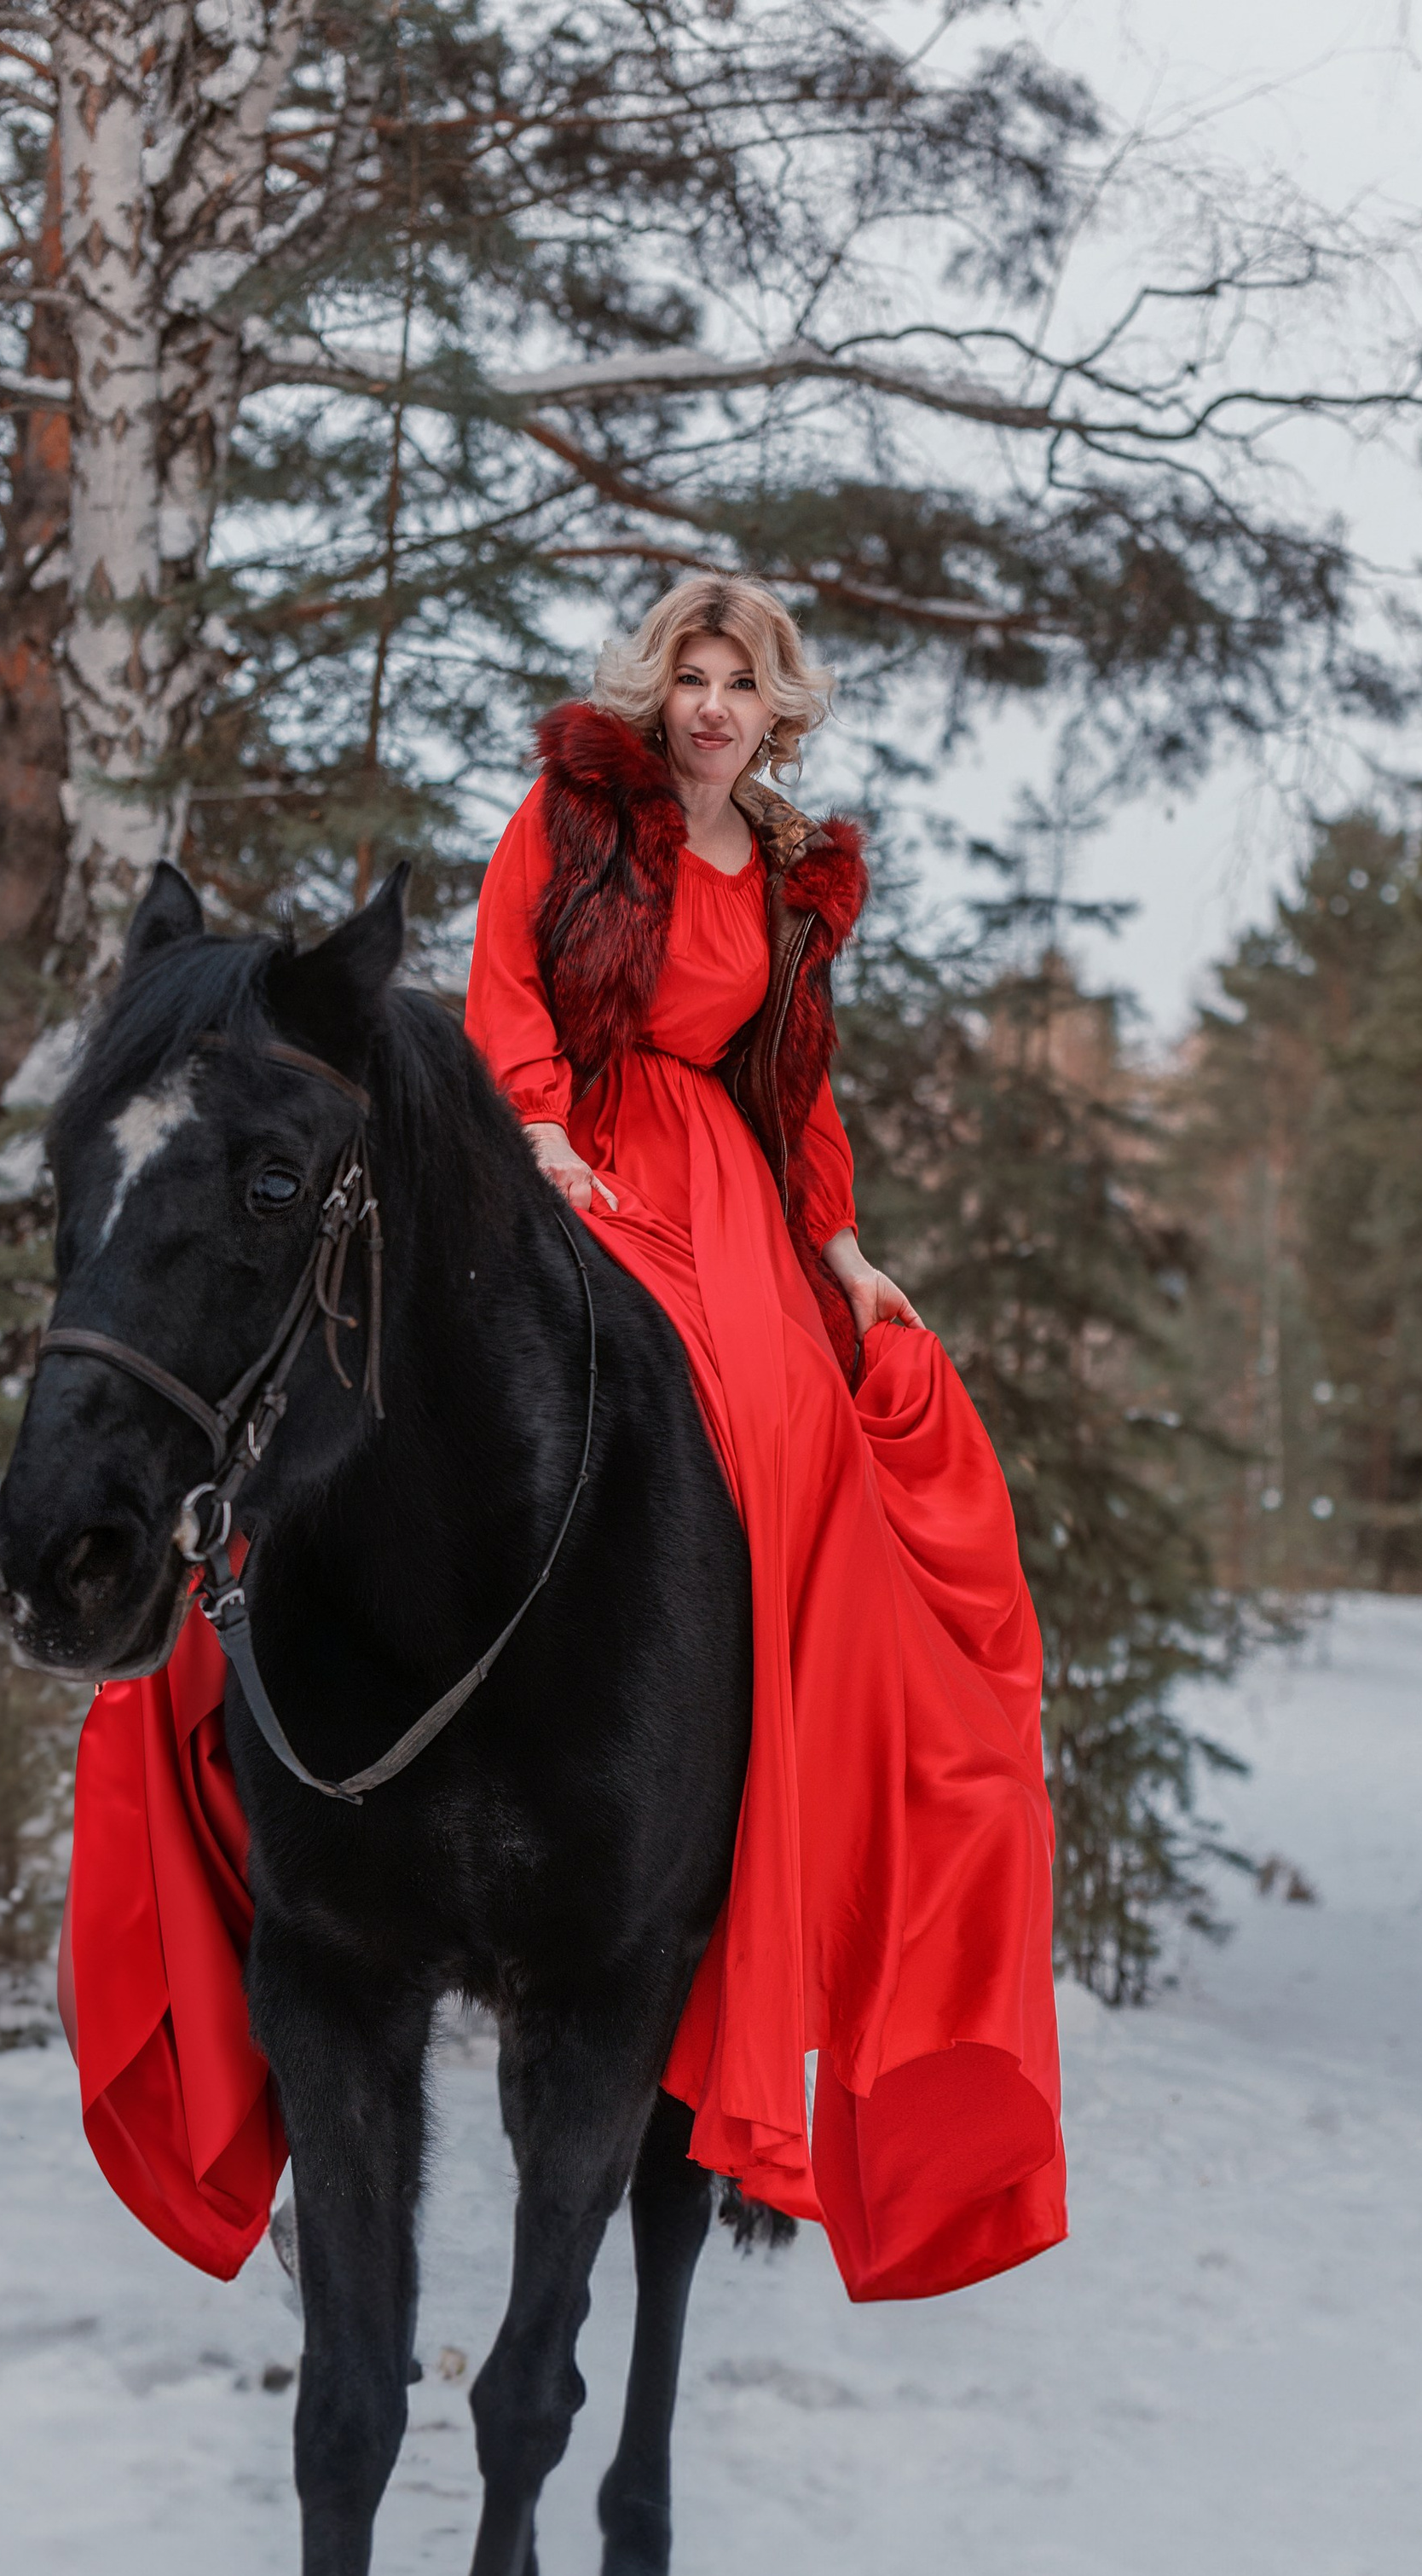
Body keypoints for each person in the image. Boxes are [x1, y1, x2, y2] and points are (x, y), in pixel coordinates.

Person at [461, 575, 1066, 2299]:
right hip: (574, 1154)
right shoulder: (577, 814)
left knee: (797, 1411)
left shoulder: (792, 883)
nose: (712, 704)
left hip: (723, 1185)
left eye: (740, 680)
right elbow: (504, 973)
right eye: (690, 674)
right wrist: (530, 1129)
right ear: (655, 694)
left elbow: (790, 1092)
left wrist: (843, 1247)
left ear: (775, 707)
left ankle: (744, 1799)